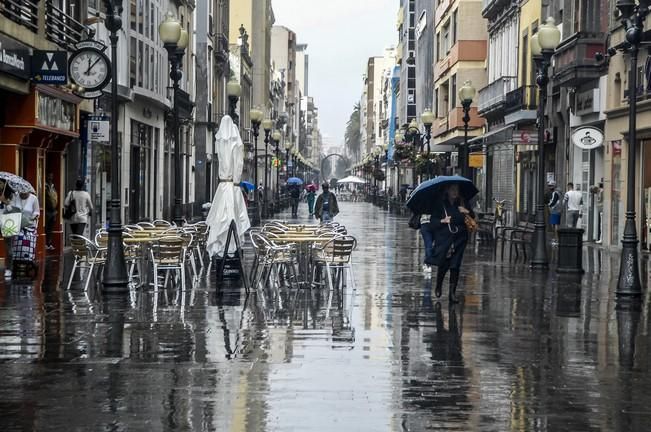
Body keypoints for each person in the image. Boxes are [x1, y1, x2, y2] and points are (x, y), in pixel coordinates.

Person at [430, 184, 475, 303]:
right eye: (452, 189)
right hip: (445, 239)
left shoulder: (463, 202)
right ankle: (439, 284)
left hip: (460, 239)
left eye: (457, 189)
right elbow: (432, 221)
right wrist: (442, 220)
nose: (455, 192)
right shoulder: (441, 204)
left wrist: (466, 211)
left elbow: (472, 216)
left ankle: (452, 294)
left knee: (455, 265)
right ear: (447, 190)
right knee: (444, 265)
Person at [4, 189, 40, 279]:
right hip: (16, 225)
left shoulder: (33, 198)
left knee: (26, 244)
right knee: (12, 246)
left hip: (29, 225)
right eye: (21, 192)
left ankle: (28, 260)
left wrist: (32, 218)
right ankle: (10, 267)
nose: (23, 193)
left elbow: (36, 212)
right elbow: (10, 209)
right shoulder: (15, 197)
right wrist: (7, 203)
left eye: (25, 192)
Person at [45, 173, 58, 250]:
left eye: (51, 176)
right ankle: (46, 243)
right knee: (47, 228)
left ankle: (49, 243)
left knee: (50, 228)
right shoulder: (45, 186)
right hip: (47, 210)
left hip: (53, 210)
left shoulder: (52, 186)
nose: (50, 178)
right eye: (49, 176)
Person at [420, 213, 434, 277]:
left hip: (435, 224)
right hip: (426, 224)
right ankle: (428, 264)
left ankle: (427, 262)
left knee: (429, 246)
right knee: (429, 246)